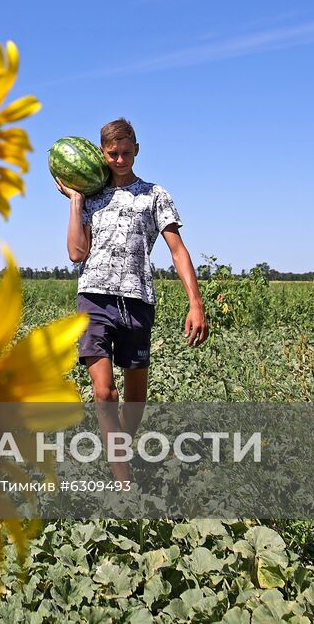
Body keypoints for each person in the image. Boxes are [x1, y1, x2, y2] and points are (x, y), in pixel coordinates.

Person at [55, 117, 207, 482]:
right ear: (102, 154)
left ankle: (117, 449)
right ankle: (124, 484)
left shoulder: (156, 195)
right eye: (112, 154)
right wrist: (76, 201)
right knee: (105, 394)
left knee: (135, 402)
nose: (120, 160)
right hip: (94, 299)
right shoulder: (91, 196)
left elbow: (178, 251)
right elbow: (77, 254)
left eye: (126, 153)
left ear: (136, 150)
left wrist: (196, 303)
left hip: (137, 300)